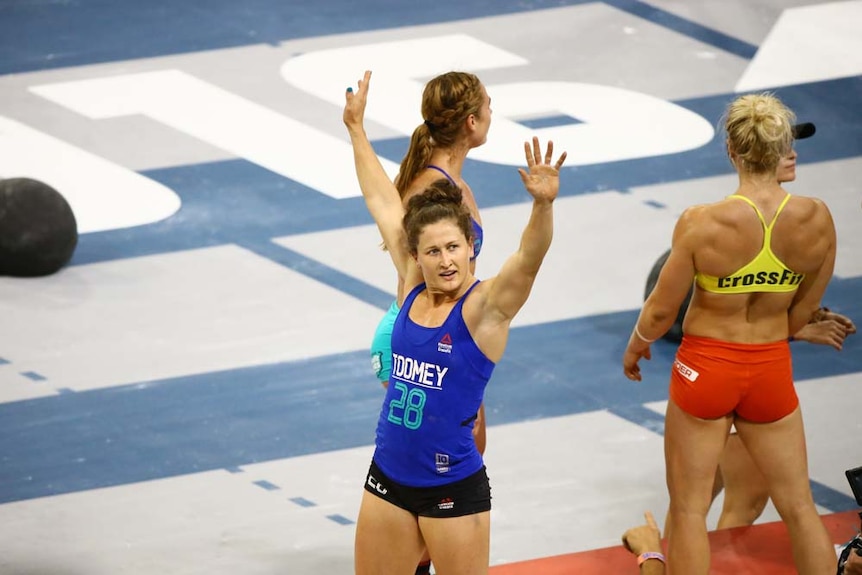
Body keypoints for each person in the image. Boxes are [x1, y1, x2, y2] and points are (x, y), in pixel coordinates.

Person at [344, 70, 566, 575]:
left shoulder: (484, 308)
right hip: (386, 480)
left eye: (454, 248)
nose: (445, 261)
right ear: (416, 255)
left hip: (451, 490)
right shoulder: (412, 281)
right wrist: (356, 129)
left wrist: (543, 205)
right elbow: (381, 199)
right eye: (433, 251)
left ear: (472, 249)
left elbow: (529, 259)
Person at [623, 92, 838, 575]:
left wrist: (636, 345)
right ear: (783, 148)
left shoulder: (702, 223)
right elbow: (802, 312)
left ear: (732, 152)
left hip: (706, 368)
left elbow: (660, 311)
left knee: (690, 509)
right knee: (800, 506)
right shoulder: (818, 218)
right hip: (769, 368)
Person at [367, 70, 492, 574]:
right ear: (470, 121)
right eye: (488, 105)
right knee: (441, 450)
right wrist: (431, 340)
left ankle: (420, 556)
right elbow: (407, 266)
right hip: (420, 331)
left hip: (444, 330)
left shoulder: (450, 180)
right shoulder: (432, 186)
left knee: (464, 441)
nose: (492, 112)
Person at [709, 122, 856, 530]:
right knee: (746, 500)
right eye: (780, 147)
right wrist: (794, 328)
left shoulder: (727, 217)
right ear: (753, 154)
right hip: (743, 375)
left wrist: (805, 316)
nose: (791, 154)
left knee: (696, 498)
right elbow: (733, 312)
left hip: (718, 373)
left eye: (793, 145)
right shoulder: (798, 218)